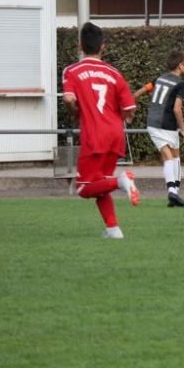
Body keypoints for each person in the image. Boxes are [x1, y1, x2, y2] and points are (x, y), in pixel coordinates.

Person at [61, 22, 142, 239]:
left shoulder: (72, 71)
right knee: (100, 185)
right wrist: (118, 118)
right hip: (115, 135)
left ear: (80, 47)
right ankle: (113, 229)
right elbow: (129, 108)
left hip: (94, 135)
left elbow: (68, 99)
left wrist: (74, 112)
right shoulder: (114, 73)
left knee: (83, 188)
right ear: (103, 47)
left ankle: (121, 181)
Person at [133, 49, 184, 208]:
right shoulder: (181, 84)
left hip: (152, 123)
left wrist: (129, 110)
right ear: (180, 65)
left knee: (168, 157)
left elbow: (138, 93)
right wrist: (183, 129)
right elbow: (177, 109)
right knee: (174, 158)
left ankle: (173, 194)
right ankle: (174, 193)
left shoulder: (158, 79)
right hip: (167, 125)